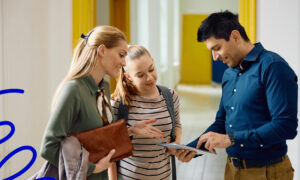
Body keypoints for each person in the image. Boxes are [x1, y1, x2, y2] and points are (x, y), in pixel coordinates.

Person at [181, 10, 298, 180]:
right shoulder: (228, 74)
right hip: (232, 170)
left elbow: (285, 126)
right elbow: (222, 122)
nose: (214, 57)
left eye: (217, 48)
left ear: (235, 36)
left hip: (266, 172)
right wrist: (191, 148)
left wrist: (232, 139)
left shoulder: (273, 67)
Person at [40, 26, 163, 180]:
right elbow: (48, 147)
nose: (124, 62)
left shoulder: (103, 87)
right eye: (121, 55)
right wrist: (93, 168)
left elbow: (98, 137)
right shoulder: (73, 90)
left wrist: (130, 131)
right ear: (102, 50)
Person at [109, 45, 184, 180]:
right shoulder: (119, 105)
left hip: (164, 176)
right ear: (129, 76)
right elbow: (110, 148)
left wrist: (176, 142)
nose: (149, 78)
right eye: (141, 75)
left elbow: (177, 125)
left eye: (151, 69)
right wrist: (131, 131)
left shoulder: (170, 96)